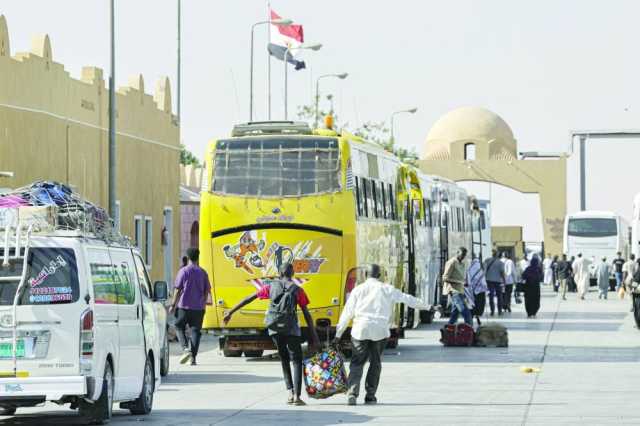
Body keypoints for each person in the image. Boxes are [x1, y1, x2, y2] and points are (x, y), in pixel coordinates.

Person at [224, 263, 319, 406]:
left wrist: (230, 312)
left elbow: (250, 297)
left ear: (279, 274)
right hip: (291, 329)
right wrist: (315, 337)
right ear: (292, 274)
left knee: (284, 359)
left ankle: (289, 392)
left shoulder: (270, 287)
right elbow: (307, 314)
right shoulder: (298, 290)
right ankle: (297, 396)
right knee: (297, 360)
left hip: (275, 329)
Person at [332, 264, 428, 406]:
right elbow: (408, 299)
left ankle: (352, 393)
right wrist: (427, 307)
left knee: (357, 362)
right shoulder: (387, 289)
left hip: (361, 330)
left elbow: (347, 313)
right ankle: (370, 396)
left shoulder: (358, 290)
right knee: (375, 363)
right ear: (379, 276)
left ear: (365, 275)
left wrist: (338, 335)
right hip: (380, 331)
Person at [169, 248, 211, 366]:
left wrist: (173, 305)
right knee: (195, 331)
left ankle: (185, 349)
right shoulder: (203, 272)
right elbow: (206, 291)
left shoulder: (184, 271)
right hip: (198, 308)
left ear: (187, 257)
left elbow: (178, 290)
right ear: (198, 258)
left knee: (178, 325)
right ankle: (193, 358)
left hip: (183, 307)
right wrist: (203, 304)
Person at [443, 247, 472, 325]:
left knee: (454, 314)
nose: (463, 257)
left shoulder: (462, 263)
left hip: (461, 290)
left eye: (464, 255)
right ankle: (470, 329)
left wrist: (464, 283)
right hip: (454, 291)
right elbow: (445, 278)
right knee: (465, 311)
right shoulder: (451, 262)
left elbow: (461, 277)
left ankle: (448, 330)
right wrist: (459, 282)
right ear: (457, 253)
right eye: (462, 255)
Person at [484, 249, 507, 315]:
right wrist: (504, 281)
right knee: (499, 296)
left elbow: (484, 271)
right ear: (497, 255)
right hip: (498, 281)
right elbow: (502, 273)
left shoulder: (487, 260)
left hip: (489, 281)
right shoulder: (500, 263)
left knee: (491, 296)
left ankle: (492, 311)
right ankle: (499, 311)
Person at [466, 256, 488, 326]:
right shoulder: (480, 271)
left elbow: (467, 281)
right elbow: (483, 282)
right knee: (479, 306)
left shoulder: (469, 270)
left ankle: (471, 320)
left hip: (471, 292)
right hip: (480, 292)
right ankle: (478, 318)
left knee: (472, 306)